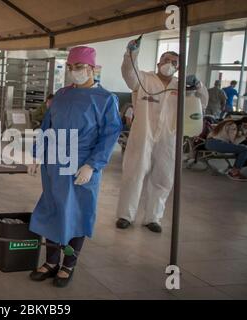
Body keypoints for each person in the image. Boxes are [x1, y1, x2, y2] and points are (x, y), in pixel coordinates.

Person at [27, 46, 121, 287]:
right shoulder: (62, 94)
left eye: (78, 67)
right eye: (70, 67)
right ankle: (50, 262)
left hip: (82, 166)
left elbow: (109, 135)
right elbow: (47, 126)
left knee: (76, 214)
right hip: (55, 164)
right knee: (52, 210)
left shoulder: (106, 99)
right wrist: (37, 154)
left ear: (92, 68)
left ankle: (68, 265)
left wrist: (92, 165)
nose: (73, 72)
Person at [115, 38, 208, 233]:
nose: (170, 64)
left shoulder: (181, 86)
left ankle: (153, 218)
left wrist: (198, 86)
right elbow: (128, 72)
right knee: (134, 173)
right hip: (143, 134)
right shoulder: (144, 79)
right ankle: (125, 215)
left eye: (175, 62)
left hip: (169, 137)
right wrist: (131, 53)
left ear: (178, 67)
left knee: (163, 178)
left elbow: (202, 103)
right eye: (166, 59)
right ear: (159, 63)